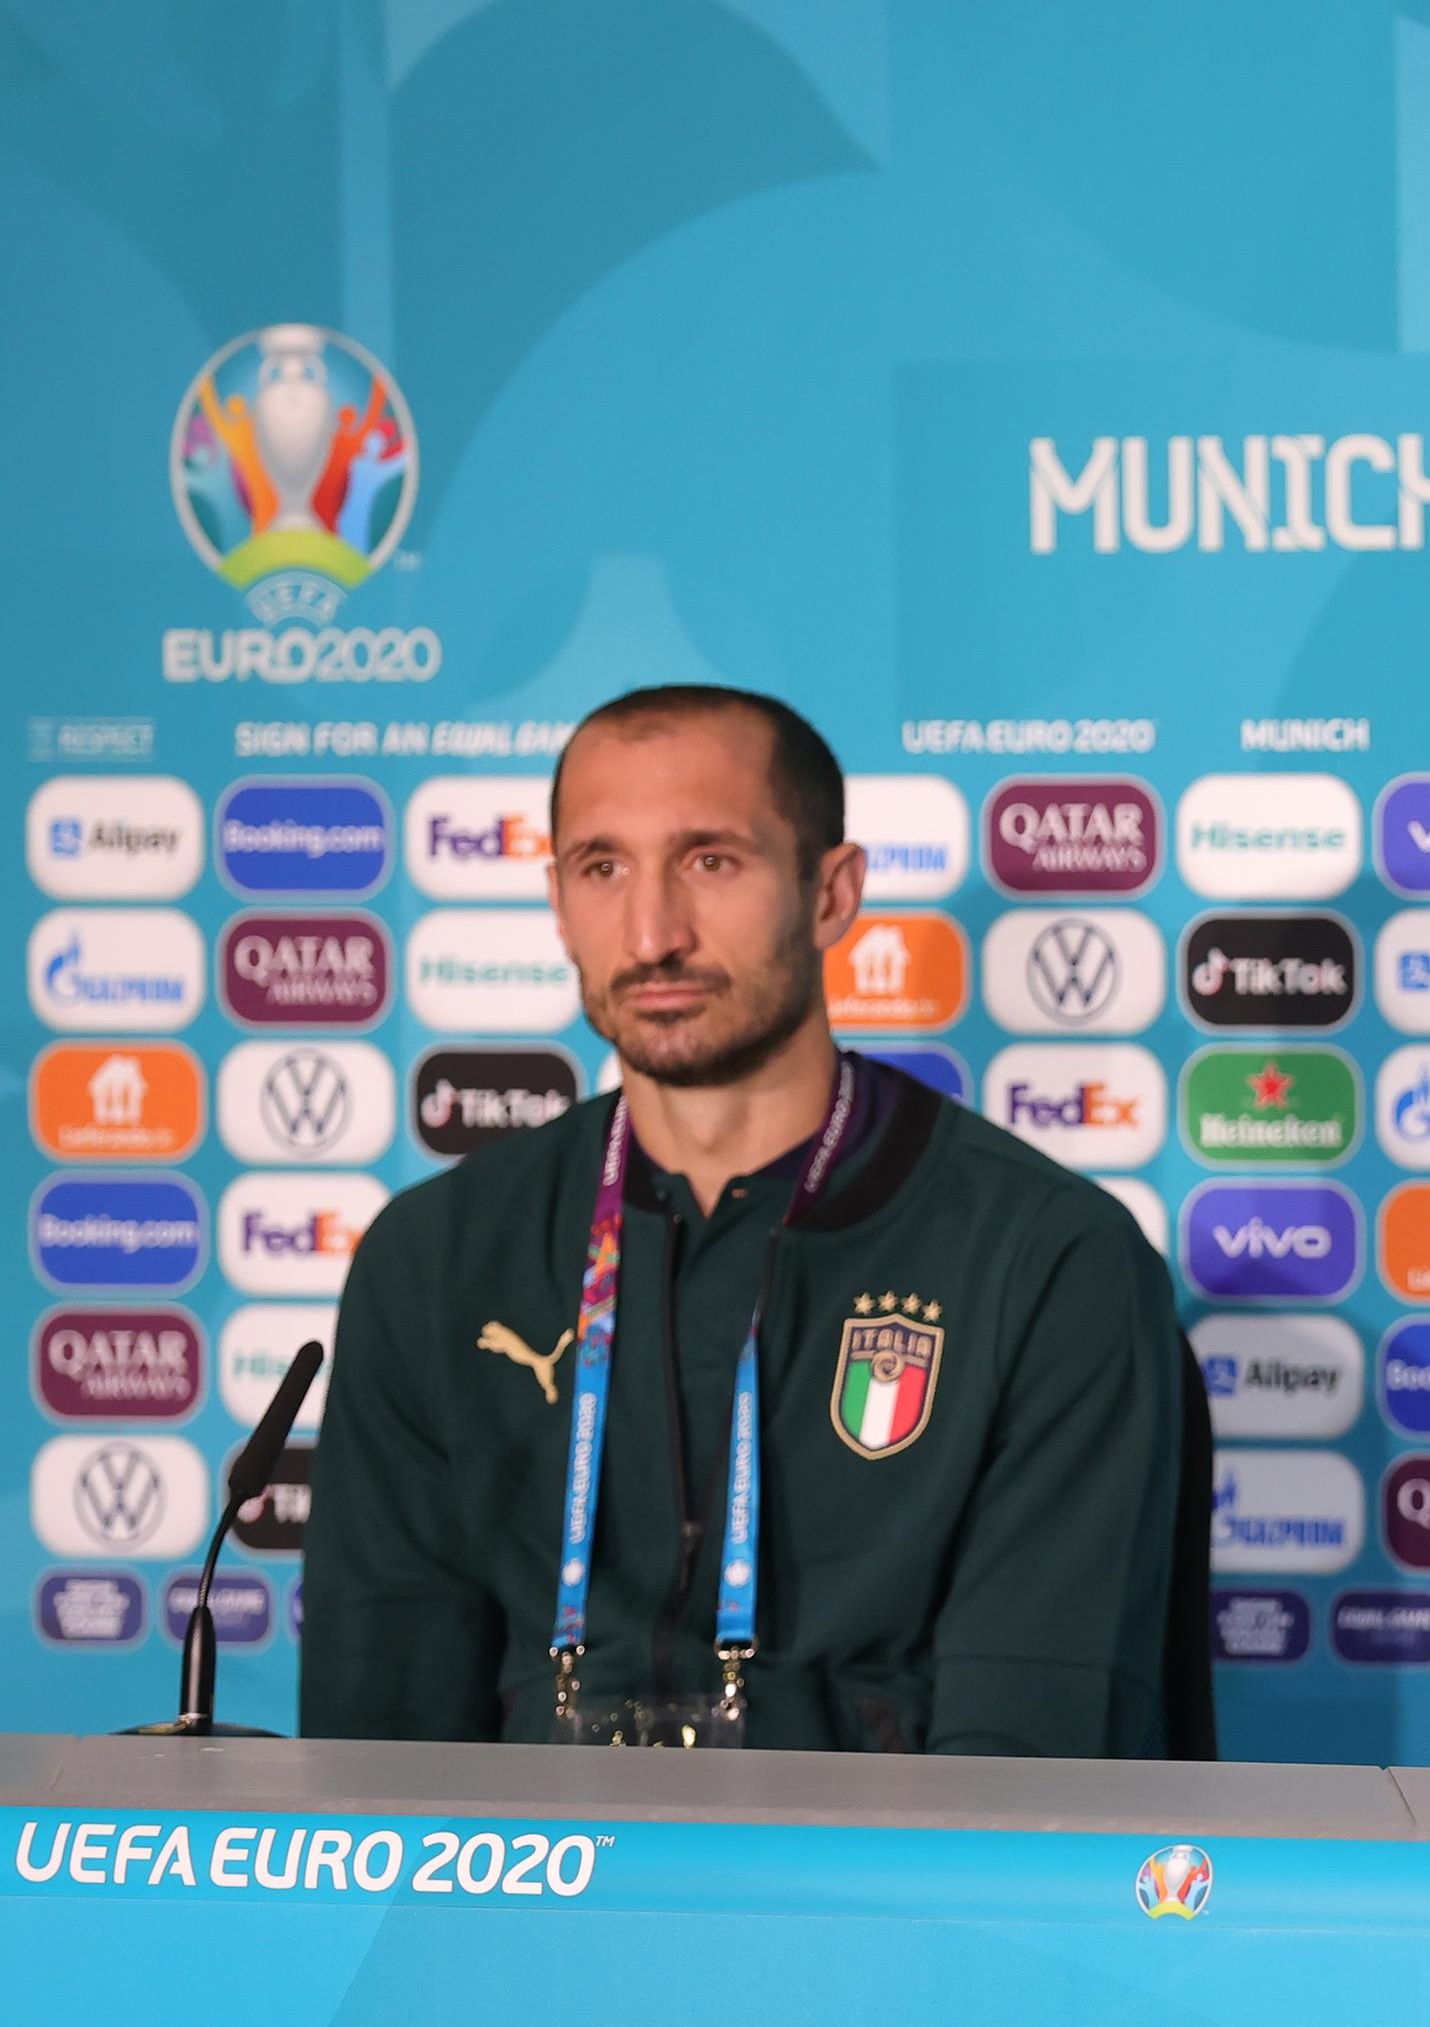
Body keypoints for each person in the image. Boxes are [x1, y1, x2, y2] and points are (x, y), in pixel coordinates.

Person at [302, 686, 1183, 1753]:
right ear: (557, 902)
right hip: (531, 1910)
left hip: (878, 1909)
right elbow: (378, 1756)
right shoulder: (437, 1258)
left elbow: (1034, 1770)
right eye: (602, 867)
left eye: (710, 861)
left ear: (830, 894)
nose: (652, 932)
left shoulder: (1044, 1261)